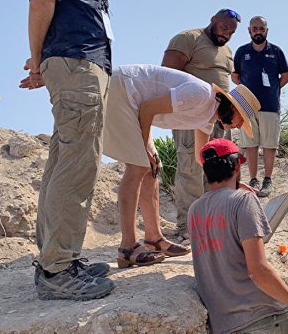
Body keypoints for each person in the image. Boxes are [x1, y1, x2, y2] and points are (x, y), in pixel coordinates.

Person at [20, 0, 140, 301]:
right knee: (78, 163)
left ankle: (59, 257)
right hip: (74, 63)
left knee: (66, 159)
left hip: (85, 65)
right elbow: (41, 0)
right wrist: (38, 61)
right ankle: (56, 271)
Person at [102, 64, 260, 268]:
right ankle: (127, 247)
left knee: (152, 168)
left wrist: (234, 185)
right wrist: (144, 147)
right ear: (233, 107)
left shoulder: (207, 117)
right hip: (122, 89)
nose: (239, 126)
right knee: (139, 166)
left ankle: (154, 238)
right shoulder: (200, 95)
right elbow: (148, 108)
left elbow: (201, 158)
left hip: (137, 105)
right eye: (242, 119)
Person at [189, 138, 288, 334]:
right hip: (262, 318)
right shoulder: (243, 201)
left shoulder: (194, 209)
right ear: (237, 165)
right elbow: (258, 271)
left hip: (224, 325)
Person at [161, 8, 239, 239]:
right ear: (213, 21)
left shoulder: (227, 51)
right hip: (189, 116)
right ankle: (188, 227)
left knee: (219, 169)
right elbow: (166, 75)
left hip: (219, 119)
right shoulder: (188, 39)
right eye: (224, 28)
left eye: (232, 32)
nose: (226, 35)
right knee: (190, 167)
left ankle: (213, 223)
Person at [232, 16, 288, 198]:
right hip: (246, 106)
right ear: (249, 30)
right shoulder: (242, 52)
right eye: (255, 28)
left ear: (267, 30)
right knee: (250, 143)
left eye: (262, 28)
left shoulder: (276, 52)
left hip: (269, 105)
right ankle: (253, 179)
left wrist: (272, 89)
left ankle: (267, 179)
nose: (258, 31)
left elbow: (286, 76)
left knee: (269, 144)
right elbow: (235, 76)